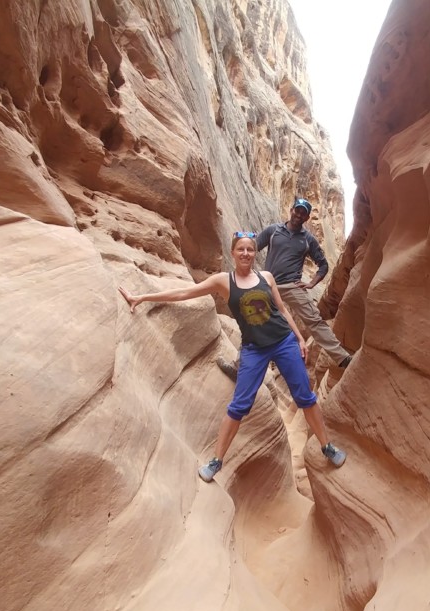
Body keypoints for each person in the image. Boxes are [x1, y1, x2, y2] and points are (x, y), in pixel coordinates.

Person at [118, 231, 348, 482]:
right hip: (253, 350)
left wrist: (300, 338)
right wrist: (142, 297)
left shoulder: (266, 277)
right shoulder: (223, 281)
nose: (246, 253)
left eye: (250, 249)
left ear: (254, 252)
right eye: (241, 249)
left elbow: (281, 309)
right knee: (238, 406)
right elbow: (185, 293)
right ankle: (216, 461)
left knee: (305, 397)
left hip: (283, 343)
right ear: (233, 252)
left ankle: (327, 446)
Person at [215, 197, 352, 380]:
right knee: (254, 322)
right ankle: (239, 367)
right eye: (297, 210)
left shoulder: (307, 239)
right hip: (268, 284)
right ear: (292, 210)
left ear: (307, 217)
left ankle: (342, 358)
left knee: (314, 320)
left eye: (303, 213)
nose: (299, 214)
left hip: (292, 286)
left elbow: (323, 265)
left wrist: (311, 283)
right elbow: (252, 246)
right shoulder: (274, 230)